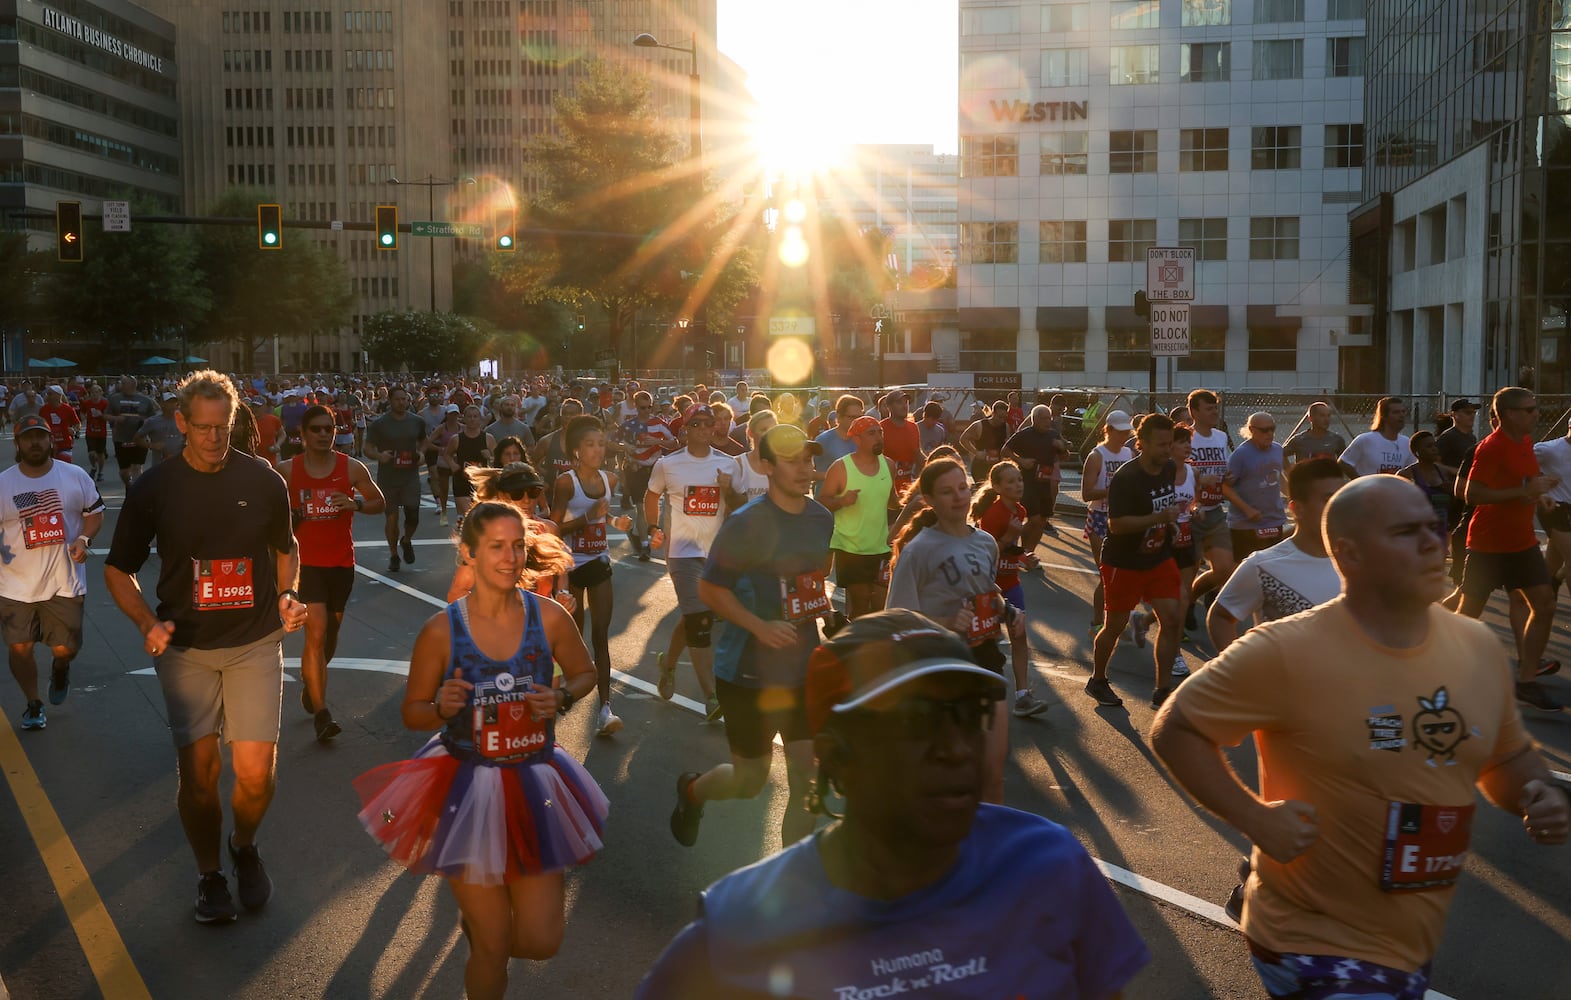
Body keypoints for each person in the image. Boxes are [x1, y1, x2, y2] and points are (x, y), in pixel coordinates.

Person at [1153, 475, 1570, 1000]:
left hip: (1407, 940)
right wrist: (1255, 816)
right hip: (1310, 939)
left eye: (1431, 526)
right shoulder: (1287, 650)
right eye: (1403, 532)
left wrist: (1538, 794)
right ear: (1347, 554)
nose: (1432, 543)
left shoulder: (1476, 646)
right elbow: (1177, 726)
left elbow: (1507, 759)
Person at [638, 609, 1152, 999]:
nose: (956, 747)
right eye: (915, 719)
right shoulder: (739, 930)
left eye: (968, 712)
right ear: (834, 755)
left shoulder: (1049, 866)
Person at [354, 502, 608, 999]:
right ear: (469, 553)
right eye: (497, 546)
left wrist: (560, 696)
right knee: (492, 948)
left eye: (517, 545)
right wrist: (441, 707)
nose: (511, 557)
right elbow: (413, 711)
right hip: (465, 784)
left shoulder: (550, 617)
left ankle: (481, 930)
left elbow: (586, 673)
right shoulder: (442, 630)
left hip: (537, 780)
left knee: (541, 941)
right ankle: (484, 935)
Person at [103, 371, 308, 924]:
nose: (214, 438)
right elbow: (118, 570)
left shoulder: (264, 480)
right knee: (197, 776)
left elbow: (285, 549)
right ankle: (209, 875)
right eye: (203, 428)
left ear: (234, 419)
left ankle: (242, 846)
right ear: (181, 423)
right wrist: (147, 621)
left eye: (223, 427)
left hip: (255, 642)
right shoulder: (154, 489)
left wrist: (288, 593)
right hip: (186, 648)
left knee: (255, 774)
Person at [671, 424, 833, 850]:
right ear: (765, 466)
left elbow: (811, 578)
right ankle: (692, 791)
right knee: (749, 781)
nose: (804, 469)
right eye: (792, 460)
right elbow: (709, 589)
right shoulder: (746, 523)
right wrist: (759, 626)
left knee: (809, 781)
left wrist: (821, 607)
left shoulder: (821, 518)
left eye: (808, 459)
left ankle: (787, 883)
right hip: (747, 672)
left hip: (802, 668)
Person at [886, 458, 1023, 804]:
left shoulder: (986, 543)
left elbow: (986, 589)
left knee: (993, 775)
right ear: (928, 500)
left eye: (962, 487)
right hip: (939, 667)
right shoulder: (918, 550)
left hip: (985, 659)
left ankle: (987, 853)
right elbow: (897, 618)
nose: (959, 497)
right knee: (947, 775)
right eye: (947, 492)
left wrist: (1007, 610)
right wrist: (945, 623)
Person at [1454, 386, 1562, 711]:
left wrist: (1539, 493)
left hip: (1522, 542)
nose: (1536, 414)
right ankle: (1442, 669)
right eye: (1530, 410)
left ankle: (1526, 682)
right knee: (1467, 615)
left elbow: (1527, 480)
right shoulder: (1491, 448)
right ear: (1511, 414)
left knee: (1544, 604)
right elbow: (1472, 494)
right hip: (1488, 545)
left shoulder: (1525, 442)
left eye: (1536, 408)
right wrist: (1525, 491)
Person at [285, 404, 386, 742]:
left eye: (329, 428)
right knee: (316, 633)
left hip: (341, 564)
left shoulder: (350, 467)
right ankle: (322, 713)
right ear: (302, 434)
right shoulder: (287, 471)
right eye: (317, 429)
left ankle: (311, 686)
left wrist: (355, 504)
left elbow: (379, 502)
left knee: (329, 639)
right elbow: (268, 514)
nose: (325, 434)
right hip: (306, 565)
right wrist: (291, 517)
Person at [0, 415, 104, 731]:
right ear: (17, 444)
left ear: (51, 440)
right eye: (28, 437)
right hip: (15, 584)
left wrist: (84, 539)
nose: (35, 442)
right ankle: (33, 703)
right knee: (20, 647)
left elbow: (95, 513)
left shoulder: (74, 476)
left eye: (40, 436)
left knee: (66, 648)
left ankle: (61, 667)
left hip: (65, 581)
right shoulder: (4, 484)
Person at [646, 404, 746, 715]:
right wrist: (653, 527)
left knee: (694, 616)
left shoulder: (728, 465)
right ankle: (712, 697)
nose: (704, 428)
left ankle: (669, 663)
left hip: (716, 554)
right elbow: (651, 494)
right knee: (700, 622)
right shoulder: (668, 464)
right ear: (685, 428)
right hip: (682, 553)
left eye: (709, 423)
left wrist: (728, 492)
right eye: (697, 423)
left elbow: (741, 503)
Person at [1089, 413, 1184, 710]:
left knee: (1172, 619)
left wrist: (1171, 526)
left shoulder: (1169, 467)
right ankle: (1098, 679)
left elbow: (1164, 505)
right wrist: (1159, 518)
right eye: (1160, 444)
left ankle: (1163, 690)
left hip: (1158, 556)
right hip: (1123, 561)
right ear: (1141, 443)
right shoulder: (1126, 478)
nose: (1167, 450)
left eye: (1170, 444)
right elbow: (1116, 525)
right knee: (1115, 625)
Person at [1208, 458, 1345, 653]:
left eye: (1341, 498)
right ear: (1297, 509)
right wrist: (1238, 672)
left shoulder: (1360, 561)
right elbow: (1221, 616)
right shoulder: (1263, 565)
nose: (1337, 507)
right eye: (1327, 499)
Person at [551, 415, 631, 738]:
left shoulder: (610, 479)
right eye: (590, 445)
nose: (598, 450)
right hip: (570, 565)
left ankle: (605, 709)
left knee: (601, 633)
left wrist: (615, 523)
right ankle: (560, 692)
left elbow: (603, 514)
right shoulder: (566, 483)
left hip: (598, 560)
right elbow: (553, 527)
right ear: (576, 451)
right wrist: (587, 517)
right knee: (574, 635)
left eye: (601, 443)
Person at [972, 461, 1049, 718]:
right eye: (1011, 481)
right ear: (997, 487)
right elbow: (986, 552)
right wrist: (1007, 538)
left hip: (1011, 583)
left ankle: (1022, 695)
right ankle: (981, 696)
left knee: (1019, 636)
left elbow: (1011, 551)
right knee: (986, 643)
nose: (1018, 485)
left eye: (1019, 480)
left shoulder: (1020, 509)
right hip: (989, 587)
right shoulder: (992, 515)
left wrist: (1025, 557)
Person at [820, 415, 895, 620]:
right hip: (851, 548)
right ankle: (854, 647)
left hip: (881, 547)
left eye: (880, 432)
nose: (879, 437)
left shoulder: (889, 465)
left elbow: (892, 502)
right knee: (860, 606)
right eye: (871, 433)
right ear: (857, 439)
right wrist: (842, 501)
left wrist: (914, 502)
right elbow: (823, 501)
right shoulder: (841, 467)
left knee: (881, 606)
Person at [1080, 410, 1135, 636]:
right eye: (1120, 431)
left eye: (1126, 432)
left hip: (1122, 516)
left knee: (1121, 574)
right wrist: (1110, 491)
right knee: (1105, 574)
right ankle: (1097, 622)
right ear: (1108, 430)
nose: (1124, 436)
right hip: (1100, 517)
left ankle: (1116, 618)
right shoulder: (1097, 456)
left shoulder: (1128, 454)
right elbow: (1086, 494)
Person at [363, 386, 427, 574]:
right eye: (398, 399)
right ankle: (393, 555)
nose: (402, 402)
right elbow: (368, 448)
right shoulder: (380, 424)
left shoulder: (417, 421)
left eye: (405, 399)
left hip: (410, 476)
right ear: (390, 401)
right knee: (392, 517)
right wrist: (379, 456)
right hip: (388, 477)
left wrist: (421, 454)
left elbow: (425, 441)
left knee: (413, 516)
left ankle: (406, 540)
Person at [1184, 389, 1236, 617]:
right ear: (1194, 411)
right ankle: (1178, 614)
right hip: (1190, 513)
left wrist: (1227, 477)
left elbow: (1222, 467)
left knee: (1225, 568)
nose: (1214, 412)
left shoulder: (1221, 436)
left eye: (1215, 407)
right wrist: (1198, 476)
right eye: (1209, 408)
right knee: (1190, 568)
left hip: (1214, 510)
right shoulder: (1186, 437)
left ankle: (1191, 599)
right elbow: (1178, 468)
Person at [618, 390, 677, 559]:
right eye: (642, 408)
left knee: (660, 507)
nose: (646, 411)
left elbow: (674, 442)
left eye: (649, 407)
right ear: (636, 407)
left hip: (655, 469)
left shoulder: (659, 423)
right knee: (640, 508)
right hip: (636, 470)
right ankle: (645, 546)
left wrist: (658, 441)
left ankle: (638, 534)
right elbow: (615, 442)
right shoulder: (629, 425)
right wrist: (625, 447)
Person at [1004, 402, 1070, 547]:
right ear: (1035, 419)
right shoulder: (1024, 434)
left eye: (1049, 418)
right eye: (1044, 419)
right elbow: (1005, 450)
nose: (1048, 422)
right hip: (1028, 482)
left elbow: (1066, 457)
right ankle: (1019, 543)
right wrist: (1021, 460)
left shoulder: (1053, 434)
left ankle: (1029, 553)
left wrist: (1062, 449)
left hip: (1045, 483)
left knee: (1042, 521)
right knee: (1034, 519)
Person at [1225, 412, 1287, 564]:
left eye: (1272, 429)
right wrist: (1247, 509)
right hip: (1246, 524)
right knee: (1246, 568)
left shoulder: (1277, 449)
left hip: (1273, 520)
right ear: (1252, 430)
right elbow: (1225, 487)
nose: (1270, 434)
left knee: (1272, 566)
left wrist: (1294, 498)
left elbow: (1281, 479)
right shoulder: (1240, 455)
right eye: (1264, 430)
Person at [1339, 396, 1412, 478]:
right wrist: (1360, 483)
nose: (1401, 415)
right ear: (1384, 416)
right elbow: (1344, 462)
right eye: (1396, 412)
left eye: (1403, 411)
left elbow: (1412, 469)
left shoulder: (1406, 442)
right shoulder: (1365, 440)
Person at [446, 404, 496, 521]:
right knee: (470, 516)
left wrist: (490, 458)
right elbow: (447, 454)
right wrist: (453, 465)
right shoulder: (456, 439)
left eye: (475, 416)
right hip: (462, 480)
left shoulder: (488, 438)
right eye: (469, 417)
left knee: (482, 517)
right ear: (464, 419)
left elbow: (498, 459)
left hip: (482, 482)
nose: (472, 419)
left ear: (480, 419)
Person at [107, 375, 157, 491]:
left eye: (123, 383)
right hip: (121, 438)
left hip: (139, 437)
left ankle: (136, 491)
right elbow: (106, 415)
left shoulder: (145, 400)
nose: (120, 385)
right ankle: (129, 485)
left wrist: (146, 423)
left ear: (132, 385)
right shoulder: (114, 398)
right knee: (124, 471)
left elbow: (153, 417)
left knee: (137, 466)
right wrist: (115, 419)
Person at [879, 390, 924, 504]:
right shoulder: (880, 428)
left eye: (906, 402)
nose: (904, 406)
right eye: (899, 403)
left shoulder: (913, 427)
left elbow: (918, 454)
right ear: (889, 407)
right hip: (885, 492)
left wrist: (934, 466)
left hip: (908, 491)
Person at [812, 394, 864, 487]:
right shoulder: (823, 440)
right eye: (852, 417)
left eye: (860, 417)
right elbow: (810, 473)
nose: (857, 421)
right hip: (828, 498)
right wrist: (836, 476)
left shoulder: (864, 439)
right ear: (839, 417)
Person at [958, 399, 1010, 484]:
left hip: (997, 466)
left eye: (1004, 418)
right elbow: (963, 439)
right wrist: (976, 452)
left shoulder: (1006, 427)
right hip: (981, 466)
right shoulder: (979, 425)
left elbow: (1007, 444)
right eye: (1000, 417)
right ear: (993, 413)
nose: (1002, 420)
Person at [1281, 401, 1346, 468]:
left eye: (1328, 416)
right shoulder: (1299, 440)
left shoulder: (1337, 440)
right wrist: (1290, 474)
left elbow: (1345, 461)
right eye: (1322, 415)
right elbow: (1280, 454)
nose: (1326, 419)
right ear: (1311, 418)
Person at [136, 391, 185, 465]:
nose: (172, 405)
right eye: (169, 402)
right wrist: (152, 445)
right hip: (159, 464)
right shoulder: (152, 421)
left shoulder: (183, 419)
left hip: (179, 463)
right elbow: (137, 438)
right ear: (162, 404)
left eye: (174, 402)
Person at [1434, 397, 1479, 477]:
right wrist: (1457, 471)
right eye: (1468, 412)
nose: (1472, 416)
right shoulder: (1447, 437)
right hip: (1451, 484)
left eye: (1474, 412)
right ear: (1455, 414)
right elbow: (1434, 463)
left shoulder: (1472, 437)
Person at [38, 385, 80, 467]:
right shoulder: (43, 409)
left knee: (64, 467)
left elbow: (77, 423)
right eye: (47, 394)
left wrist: (73, 430)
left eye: (50, 394)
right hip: (49, 445)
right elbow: (40, 425)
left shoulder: (68, 409)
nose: (47, 396)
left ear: (58, 395)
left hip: (65, 444)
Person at [80, 381, 110, 484]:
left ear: (100, 393)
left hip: (101, 432)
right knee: (92, 453)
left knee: (100, 454)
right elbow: (82, 412)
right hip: (90, 432)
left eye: (96, 392)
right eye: (92, 392)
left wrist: (101, 415)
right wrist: (83, 417)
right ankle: (93, 467)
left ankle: (100, 472)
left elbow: (108, 416)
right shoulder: (87, 403)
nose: (94, 394)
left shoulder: (105, 403)